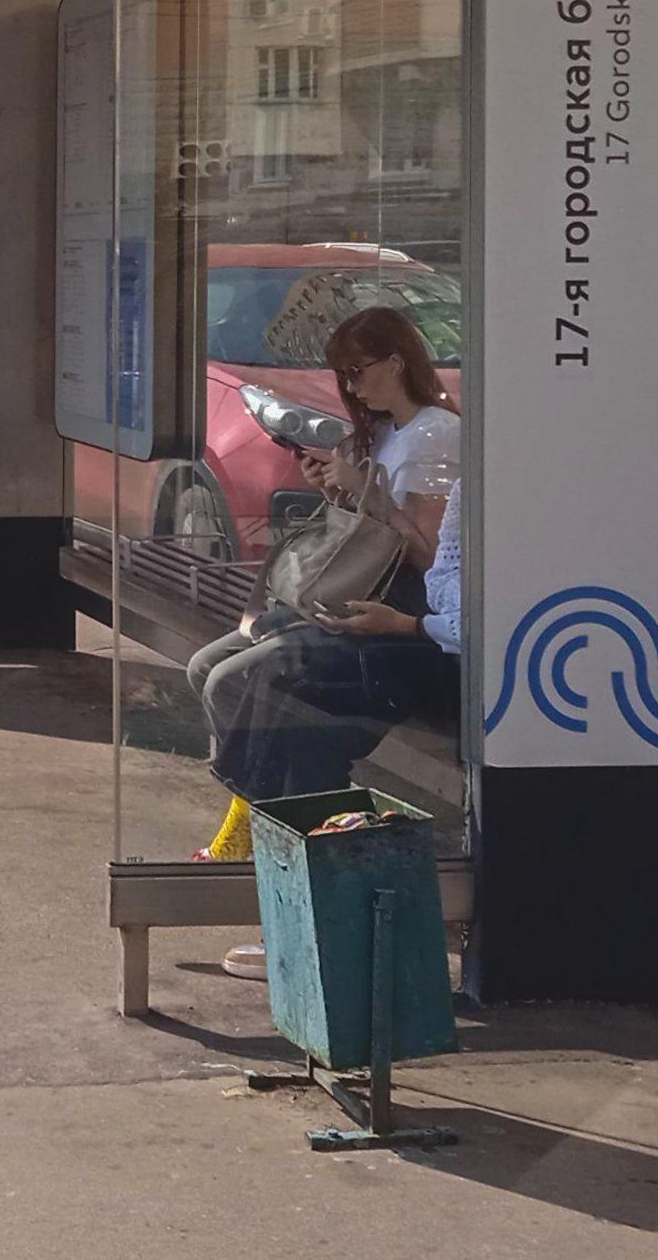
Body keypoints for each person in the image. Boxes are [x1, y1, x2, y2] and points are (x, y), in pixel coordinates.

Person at [186, 304, 459, 875]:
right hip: (360, 599)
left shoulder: (436, 435)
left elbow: (431, 561)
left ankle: (261, 830)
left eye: (357, 372)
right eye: (343, 377)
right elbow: (374, 535)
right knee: (209, 667)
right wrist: (339, 493)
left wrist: (367, 492)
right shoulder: (386, 432)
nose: (351, 388)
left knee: (257, 684)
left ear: (396, 362)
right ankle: (265, 822)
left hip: (402, 619)